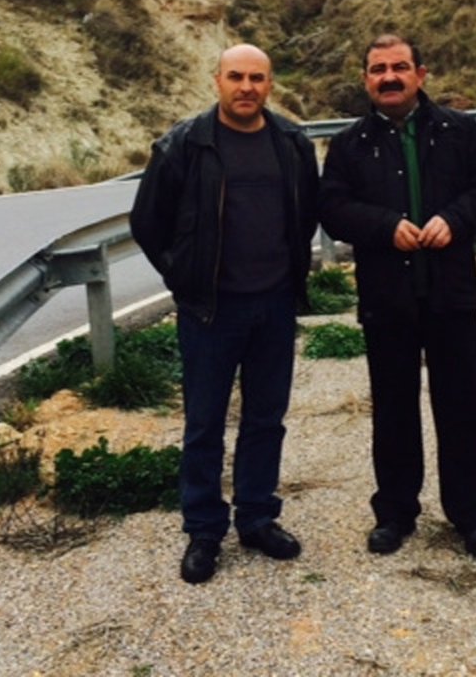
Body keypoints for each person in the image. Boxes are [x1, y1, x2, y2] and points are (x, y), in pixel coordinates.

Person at [131, 43, 319, 584]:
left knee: (266, 419)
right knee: (204, 423)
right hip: (210, 311)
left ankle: (257, 518)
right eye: (236, 76)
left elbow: (305, 215)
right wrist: (184, 277)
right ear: (216, 80)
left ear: (270, 84)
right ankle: (204, 530)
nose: (246, 87)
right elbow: (148, 223)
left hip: (274, 306)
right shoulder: (184, 145)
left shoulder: (292, 143)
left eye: (257, 78)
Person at [319, 34, 476, 560]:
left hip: (451, 294)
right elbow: (331, 208)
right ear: (366, 80)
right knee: (393, 411)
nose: (389, 77)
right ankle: (395, 514)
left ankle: (471, 517)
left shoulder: (460, 130)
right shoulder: (349, 144)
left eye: (399, 67)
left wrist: (455, 219)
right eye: (378, 69)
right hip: (387, 299)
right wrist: (384, 226)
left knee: (464, 409)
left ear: (420, 74)